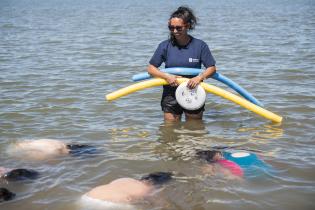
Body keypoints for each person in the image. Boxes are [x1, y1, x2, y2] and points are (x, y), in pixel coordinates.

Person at [147, 6, 216, 121]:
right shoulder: (164, 46)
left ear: (187, 26)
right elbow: (151, 69)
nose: (174, 31)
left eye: (178, 28)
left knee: (194, 129)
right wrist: (167, 76)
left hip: (193, 90)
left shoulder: (200, 46)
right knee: (169, 131)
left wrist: (199, 77)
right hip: (171, 91)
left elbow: (212, 68)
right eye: (171, 27)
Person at [82, 172, 173, 207]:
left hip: (88, 196)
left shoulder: (125, 179)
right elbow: (161, 204)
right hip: (112, 204)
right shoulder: (149, 188)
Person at [7, 139, 97, 161]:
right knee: (93, 151)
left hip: (59, 149)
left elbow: (39, 157)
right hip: (66, 146)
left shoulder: (35, 144)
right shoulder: (38, 141)